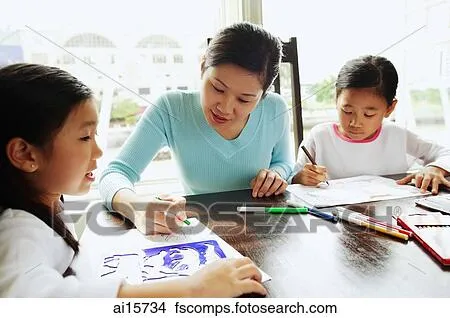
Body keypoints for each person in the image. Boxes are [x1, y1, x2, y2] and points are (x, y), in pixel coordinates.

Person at [0, 63, 267, 297]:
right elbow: (34, 301)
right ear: (24, 153)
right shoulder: (16, 232)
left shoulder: (46, 201)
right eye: (84, 137)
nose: (99, 151)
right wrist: (193, 290)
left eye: (245, 99)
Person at [99, 22, 294, 235]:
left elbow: (283, 162)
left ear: (263, 95)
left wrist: (275, 175)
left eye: (244, 99)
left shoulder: (275, 109)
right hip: (200, 231)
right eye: (217, 88)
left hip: (262, 229)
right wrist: (136, 207)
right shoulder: (171, 108)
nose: (225, 108)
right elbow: (115, 173)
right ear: (202, 67)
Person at [291, 55, 450, 194]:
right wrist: (301, 178)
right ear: (336, 100)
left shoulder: (397, 135)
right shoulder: (320, 136)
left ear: (390, 108)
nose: (355, 123)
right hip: (333, 220)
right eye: (347, 110)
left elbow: (445, 153)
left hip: (389, 217)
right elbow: (293, 178)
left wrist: (436, 168)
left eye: (369, 114)